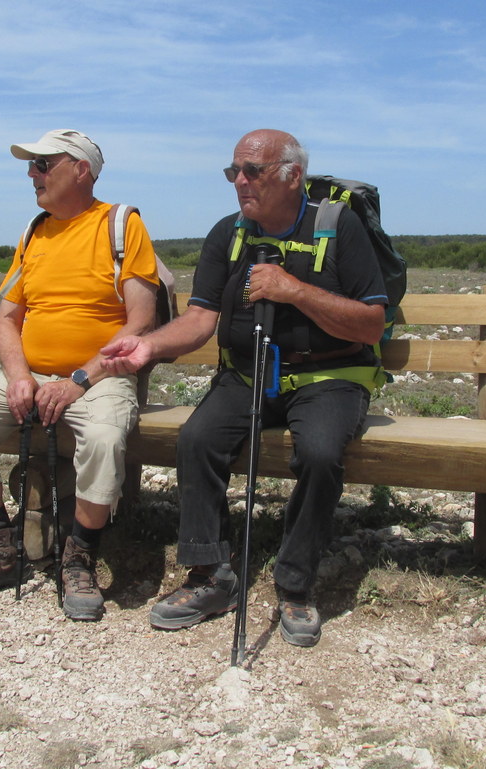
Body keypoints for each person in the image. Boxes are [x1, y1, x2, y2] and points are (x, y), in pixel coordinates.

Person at [102, 129, 388, 647]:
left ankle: (296, 585)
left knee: (321, 454)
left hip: (330, 378)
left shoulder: (338, 228)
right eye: (233, 171)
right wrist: (150, 347)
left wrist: (293, 290)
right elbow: (200, 318)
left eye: (252, 171)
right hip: (248, 371)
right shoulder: (227, 234)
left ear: (292, 175)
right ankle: (212, 575)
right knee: (196, 441)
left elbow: (371, 324)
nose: (239, 181)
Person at [0, 129, 159, 621]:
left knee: (101, 437)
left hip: (98, 379)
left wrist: (78, 379)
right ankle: (0, 548)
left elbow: (140, 322)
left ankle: (78, 558)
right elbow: (7, 319)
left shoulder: (121, 224)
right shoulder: (34, 231)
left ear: (81, 170)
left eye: (43, 164)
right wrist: (19, 377)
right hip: (34, 374)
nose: (31, 174)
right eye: (31, 166)